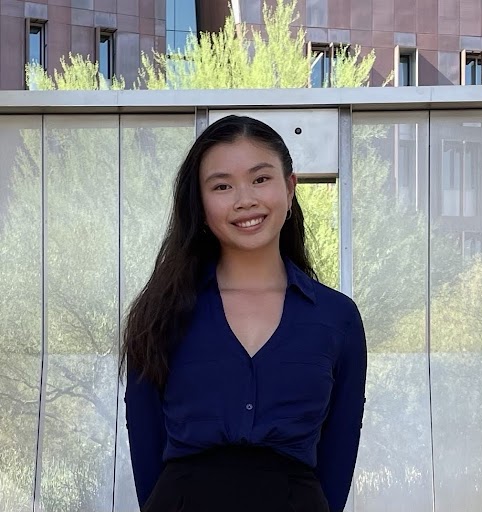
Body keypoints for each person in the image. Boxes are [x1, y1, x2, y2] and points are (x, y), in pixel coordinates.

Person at [120, 115, 367, 512]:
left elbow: (339, 453)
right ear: (200, 204)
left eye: (260, 179)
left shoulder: (338, 318)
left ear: (289, 188)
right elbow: (146, 446)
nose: (244, 200)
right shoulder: (159, 313)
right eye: (222, 186)